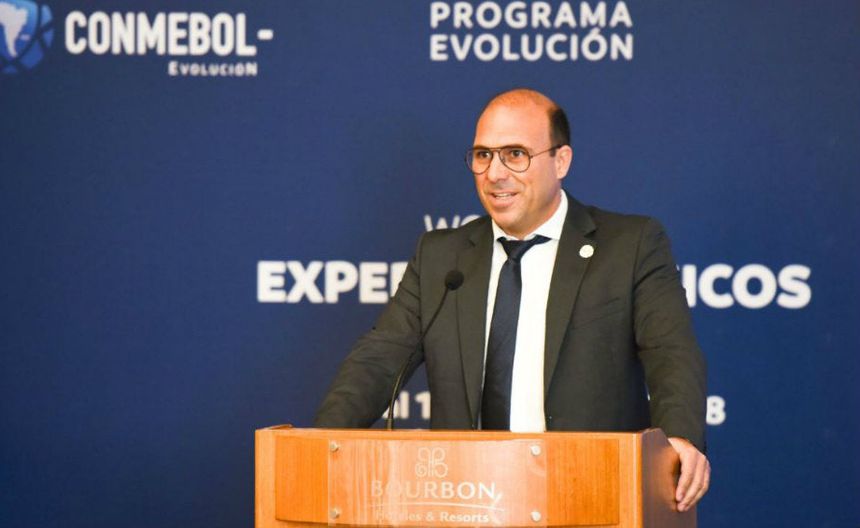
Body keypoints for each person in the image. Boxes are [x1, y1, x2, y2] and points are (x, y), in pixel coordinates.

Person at [315, 88, 710, 511]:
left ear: (561, 161)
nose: (495, 173)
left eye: (515, 154)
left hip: (591, 493)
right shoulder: (441, 257)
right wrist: (317, 445)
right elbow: (379, 360)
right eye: (483, 155)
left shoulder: (629, 246)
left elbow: (670, 352)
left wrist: (679, 438)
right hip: (464, 501)